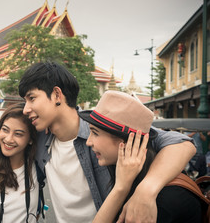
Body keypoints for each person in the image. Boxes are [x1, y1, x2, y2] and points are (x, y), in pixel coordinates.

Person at [0, 62, 196, 223]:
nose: (26, 109)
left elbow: (181, 142)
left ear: (56, 95)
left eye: (32, 98)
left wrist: (145, 191)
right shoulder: (40, 134)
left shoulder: (103, 127)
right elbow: (13, 136)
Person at [79, 90, 202, 223]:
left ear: (128, 142)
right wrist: (121, 187)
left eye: (95, 133)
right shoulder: (125, 176)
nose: (88, 142)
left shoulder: (159, 203)